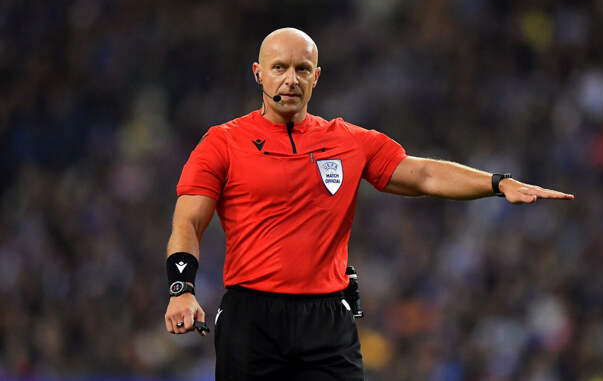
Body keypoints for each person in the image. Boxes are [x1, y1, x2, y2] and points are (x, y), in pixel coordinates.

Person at [164, 27, 574, 380]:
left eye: (302, 69)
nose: (290, 79)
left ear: (316, 77)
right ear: (258, 73)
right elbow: (188, 223)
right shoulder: (223, 142)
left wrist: (497, 183)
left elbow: (423, 174)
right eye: (279, 68)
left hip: (327, 318)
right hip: (252, 317)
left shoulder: (348, 141)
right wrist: (182, 289)